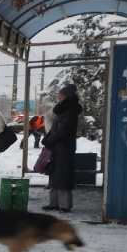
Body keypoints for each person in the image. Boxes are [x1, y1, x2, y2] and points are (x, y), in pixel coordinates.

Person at [42, 84, 83, 213]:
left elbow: (63, 130)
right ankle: (54, 202)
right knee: (54, 173)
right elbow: (55, 127)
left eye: (61, 95)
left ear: (68, 97)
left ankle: (65, 205)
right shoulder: (61, 109)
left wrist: (51, 139)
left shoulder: (71, 111)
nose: (58, 97)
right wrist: (48, 138)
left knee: (63, 175)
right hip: (58, 147)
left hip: (65, 147)